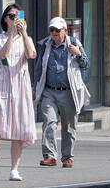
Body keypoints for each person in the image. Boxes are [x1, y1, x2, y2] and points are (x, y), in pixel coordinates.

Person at [0, 3, 36, 181]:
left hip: (20, 86)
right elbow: (3, 54)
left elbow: (31, 55)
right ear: (5, 19)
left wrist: (25, 33)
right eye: (12, 17)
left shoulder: (24, 39)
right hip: (1, 85)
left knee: (18, 130)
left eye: (18, 17)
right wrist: (12, 34)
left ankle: (14, 169)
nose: (16, 20)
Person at [33, 16, 89, 168]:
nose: (54, 33)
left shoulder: (74, 43)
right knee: (49, 122)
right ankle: (50, 156)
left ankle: (67, 157)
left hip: (68, 92)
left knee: (69, 126)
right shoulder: (45, 45)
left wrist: (78, 54)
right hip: (49, 91)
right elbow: (39, 68)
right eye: (52, 30)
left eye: (57, 30)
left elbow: (86, 64)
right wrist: (35, 87)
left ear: (64, 31)